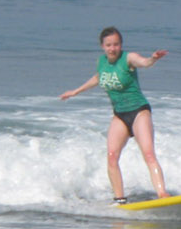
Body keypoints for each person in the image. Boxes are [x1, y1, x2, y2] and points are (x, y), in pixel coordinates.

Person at [60, 27, 170, 202]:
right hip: (120, 115)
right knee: (112, 156)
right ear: (103, 46)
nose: (113, 48)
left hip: (139, 111)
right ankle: (120, 200)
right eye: (109, 45)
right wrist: (75, 91)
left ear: (121, 45)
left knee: (148, 154)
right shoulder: (101, 62)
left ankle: (162, 194)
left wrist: (153, 59)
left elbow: (144, 63)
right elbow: (98, 78)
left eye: (116, 44)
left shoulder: (128, 58)